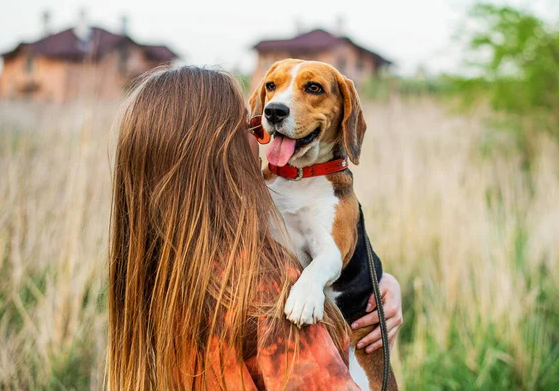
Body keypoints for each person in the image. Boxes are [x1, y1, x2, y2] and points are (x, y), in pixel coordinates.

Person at [107, 66, 403, 390]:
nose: (262, 133)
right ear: (211, 149)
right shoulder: (264, 290)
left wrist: (373, 280)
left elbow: (335, 252)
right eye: (250, 124)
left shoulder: (155, 262)